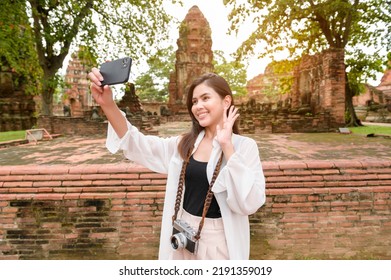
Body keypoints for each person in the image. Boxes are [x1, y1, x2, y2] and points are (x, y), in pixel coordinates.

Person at [88, 70, 266, 260]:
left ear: (226, 101)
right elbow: (137, 144)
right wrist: (107, 104)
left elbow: (250, 203)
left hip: (220, 241)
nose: (198, 106)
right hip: (183, 234)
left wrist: (227, 147)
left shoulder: (244, 147)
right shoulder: (184, 144)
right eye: (194, 102)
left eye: (205, 98)